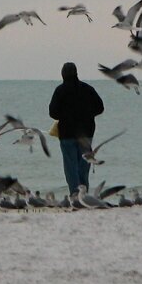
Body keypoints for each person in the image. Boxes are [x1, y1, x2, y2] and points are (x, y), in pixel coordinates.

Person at [48, 61, 104, 196]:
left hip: (67, 133)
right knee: (84, 164)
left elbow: (52, 113)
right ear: (76, 73)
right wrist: (87, 115)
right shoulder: (87, 89)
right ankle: (84, 192)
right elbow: (100, 108)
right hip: (86, 133)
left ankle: (74, 193)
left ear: (63, 75)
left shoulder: (60, 90)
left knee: (70, 165)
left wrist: (65, 115)